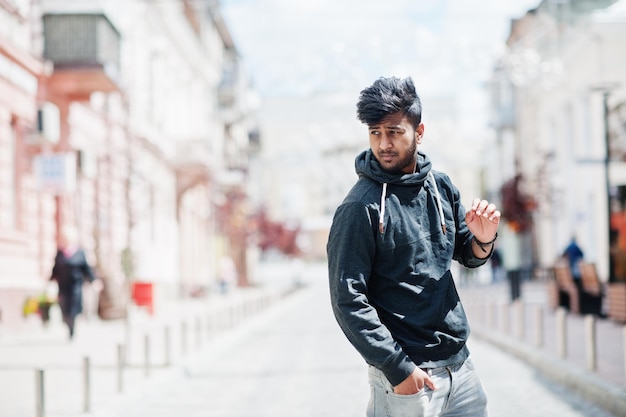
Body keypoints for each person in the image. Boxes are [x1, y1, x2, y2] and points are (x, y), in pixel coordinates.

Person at [327, 76, 500, 417]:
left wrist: (483, 238)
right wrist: (398, 369)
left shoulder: (441, 186)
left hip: (460, 370)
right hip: (407, 379)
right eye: (375, 132)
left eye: (394, 131)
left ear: (418, 133)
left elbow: (467, 253)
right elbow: (347, 299)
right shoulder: (359, 207)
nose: (383, 143)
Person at [50, 225, 98, 339]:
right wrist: (50, 280)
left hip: (76, 286)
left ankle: (72, 327)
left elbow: (86, 268)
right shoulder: (60, 253)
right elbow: (55, 269)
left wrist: (94, 280)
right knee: (64, 307)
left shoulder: (80, 252)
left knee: (74, 307)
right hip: (63, 286)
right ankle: (68, 323)